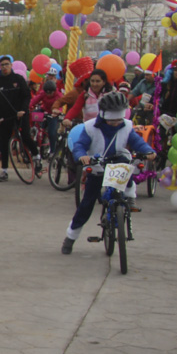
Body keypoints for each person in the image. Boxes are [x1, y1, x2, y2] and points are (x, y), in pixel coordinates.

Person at [61, 92, 156, 254]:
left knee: (127, 166)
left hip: (118, 162)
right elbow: (80, 146)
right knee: (87, 204)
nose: (115, 123)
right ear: (103, 115)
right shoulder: (90, 127)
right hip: (97, 165)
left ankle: (129, 197)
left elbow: (136, 141)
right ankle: (70, 237)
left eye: (118, 119)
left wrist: (148, 150)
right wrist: (82, 156)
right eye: (112, 120)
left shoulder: (126, 125)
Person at [0, 55, 39, 181]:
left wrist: (23, 110)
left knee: (26, 137)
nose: (4, 67)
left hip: (20, 114)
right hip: (5, 117)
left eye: (7, 64)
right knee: (3, 142)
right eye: (2, 65)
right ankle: (4, 171)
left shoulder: (18, 79)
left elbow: (26, 96)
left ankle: (36, 156)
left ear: (11, 65)